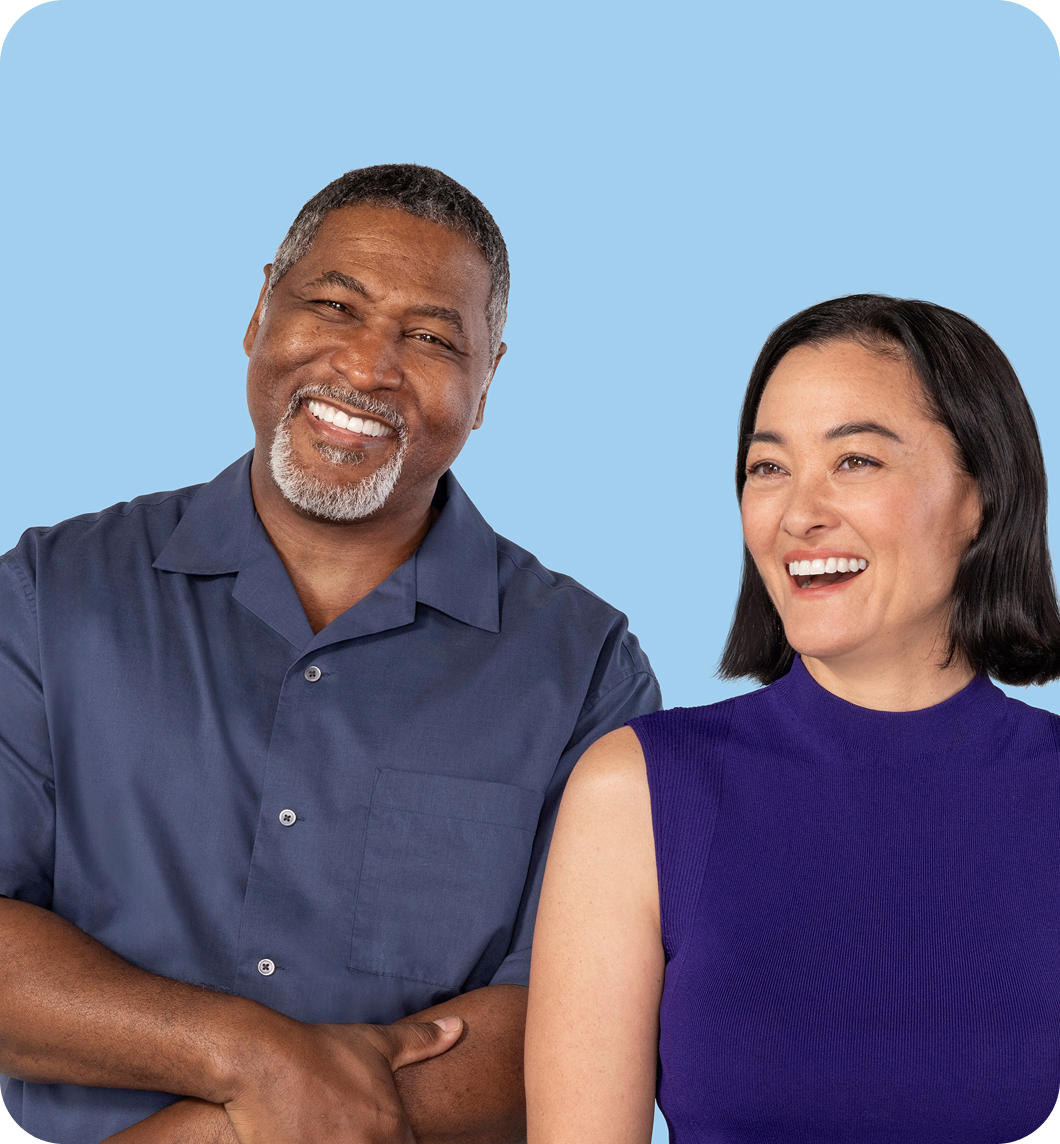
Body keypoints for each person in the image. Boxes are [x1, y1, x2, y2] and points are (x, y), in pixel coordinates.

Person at [0, 163, 661, 1144]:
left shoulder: (586, 672)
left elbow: (575, 1025)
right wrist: (247, 1056)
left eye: (432, 337)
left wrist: (220, 1133)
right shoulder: (51, 593)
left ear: (485, 383)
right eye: (334, 305)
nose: (364, 366)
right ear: (260, 311)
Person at [525, 294, 1060, 1144]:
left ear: (981, 499)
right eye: (768, 468)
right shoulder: (637, 791)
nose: (797, 513)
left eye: (855, 461)